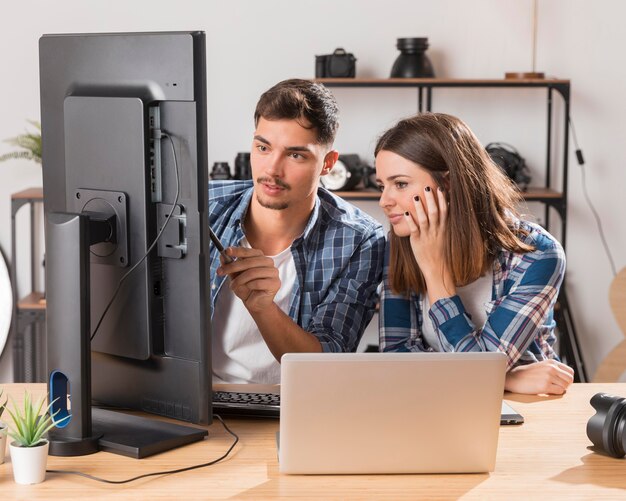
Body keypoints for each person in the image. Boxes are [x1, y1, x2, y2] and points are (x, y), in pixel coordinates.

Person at [375, 112, 574, 395]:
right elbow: (396, 358)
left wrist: (435, 273)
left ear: (449, 185)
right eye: (381, 185)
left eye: (401, 184)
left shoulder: (537, 254)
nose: (384, 201)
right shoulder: (400, 242)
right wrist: (506, 380)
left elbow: (478, 368)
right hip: (438, 402)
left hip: (525, 410)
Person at [210, 79, 385, 384]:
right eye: (263, 147)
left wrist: (264, 308)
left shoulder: (360, 240)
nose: (271, 170)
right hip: (197, 401)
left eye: (295, 155)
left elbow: (326, 366)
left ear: (328, 163)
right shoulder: (202, 205)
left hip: (295, 407)